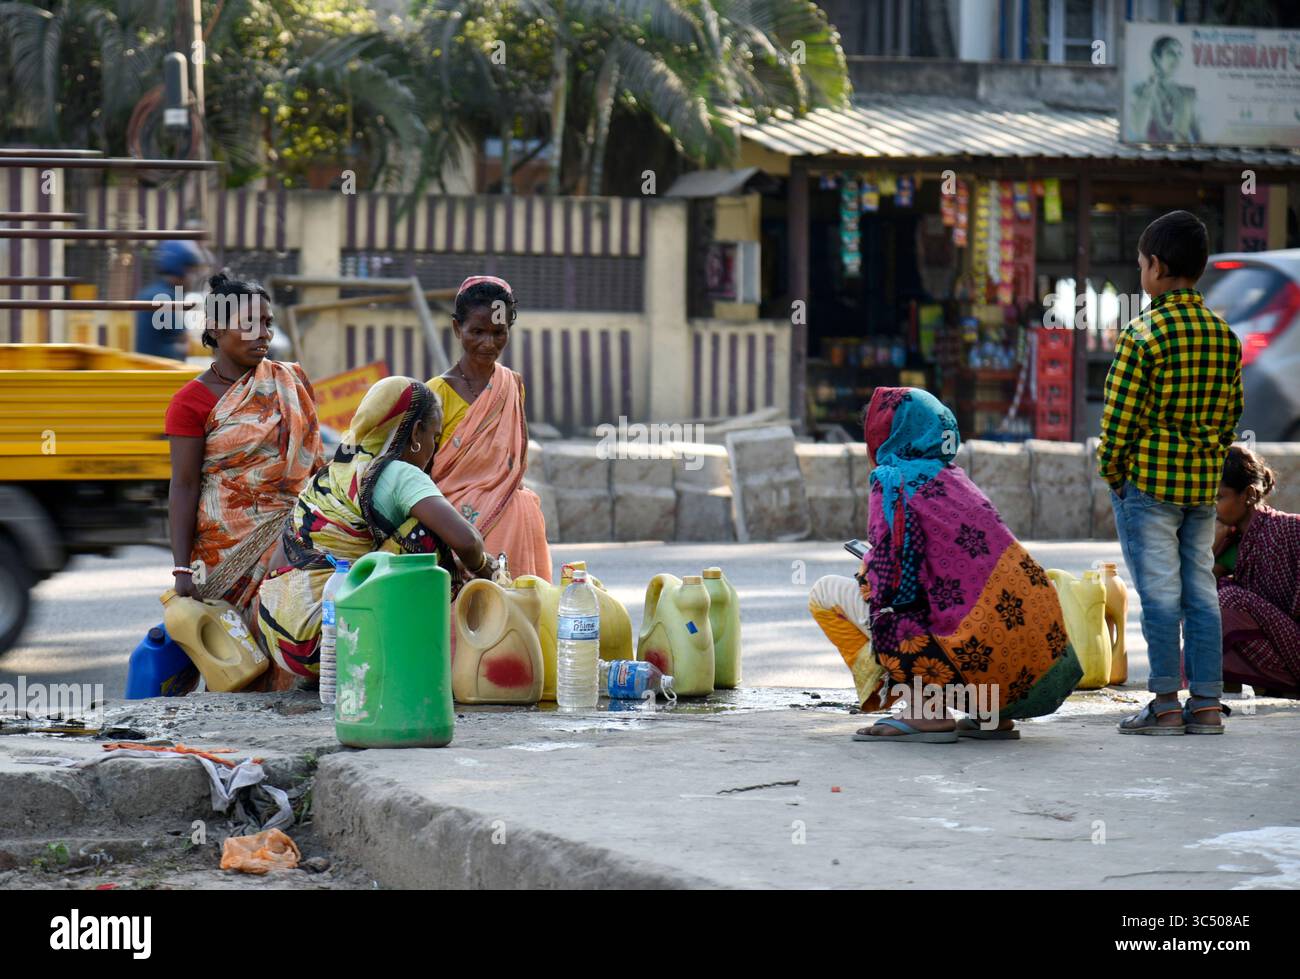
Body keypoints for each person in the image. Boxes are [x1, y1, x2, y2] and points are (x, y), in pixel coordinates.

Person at [808, 387, 1081, 743]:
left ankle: (925, 710)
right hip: (1027, 661)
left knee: (826, 594)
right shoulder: (956, 477)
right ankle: (989, 717)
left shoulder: (892, 480)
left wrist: (867, 571)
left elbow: (891, 571)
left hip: (966, 651)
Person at [1099, 210, 1243, 735]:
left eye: (1141, 263)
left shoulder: (1143, 336)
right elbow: (1231, 416)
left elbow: (1118, 422)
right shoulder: (1224, 338)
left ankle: (1162, 704)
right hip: (1201, 490)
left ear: (1156, 267)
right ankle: (1205, 705)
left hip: (1149, 489)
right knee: (1201, 594)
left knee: (1159, 596)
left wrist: (1114, 473)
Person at [256, 376, 496, 679]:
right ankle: (413, 666)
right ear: (416, 433)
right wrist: (486, 570)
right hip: (325, 638)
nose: (433, 451)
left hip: (279, 632)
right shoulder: (399, 473)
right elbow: (467, 540)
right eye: (434, 437)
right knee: (428, 538)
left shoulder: (339, 468)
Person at [165, 271, 323, 624]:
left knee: (292, 636)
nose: (264, 333)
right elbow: (185, 484)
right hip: (223, 554)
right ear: (216, 329)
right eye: (250, 323)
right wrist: (181, 568)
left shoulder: (289, 381)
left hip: (294, 541)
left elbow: (313, 466)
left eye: (268, 323)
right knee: (231, 654)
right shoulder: (189, 402)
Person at [427, 275, 552, 581]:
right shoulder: (435, 394)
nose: (489, 343)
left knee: (514, 614)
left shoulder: (511, 386)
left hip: (514, 516)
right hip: (456, 523)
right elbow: (424, 472)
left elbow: (510, 467)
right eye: (477, 331)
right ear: (458, 328)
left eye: (499, 332)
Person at [1213, 446, 1300, 697]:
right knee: (1203, 600)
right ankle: (1251, 681)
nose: (1211, 507)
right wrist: (1215, 544)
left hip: (1292, 642)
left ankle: (1278, 680)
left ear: (1249, 494)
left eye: (1219, 497)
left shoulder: (1289, 530)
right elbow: (1197, 586)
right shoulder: (1231, 541)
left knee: (1225, 598)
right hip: (1274, 642)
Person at [136, 240, 206, 361]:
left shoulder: (150, 292)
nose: (194, 278)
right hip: (161, 371)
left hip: (147, 365)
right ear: (180, 270)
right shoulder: (167, 297)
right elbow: (185, 340)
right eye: (191, 271)